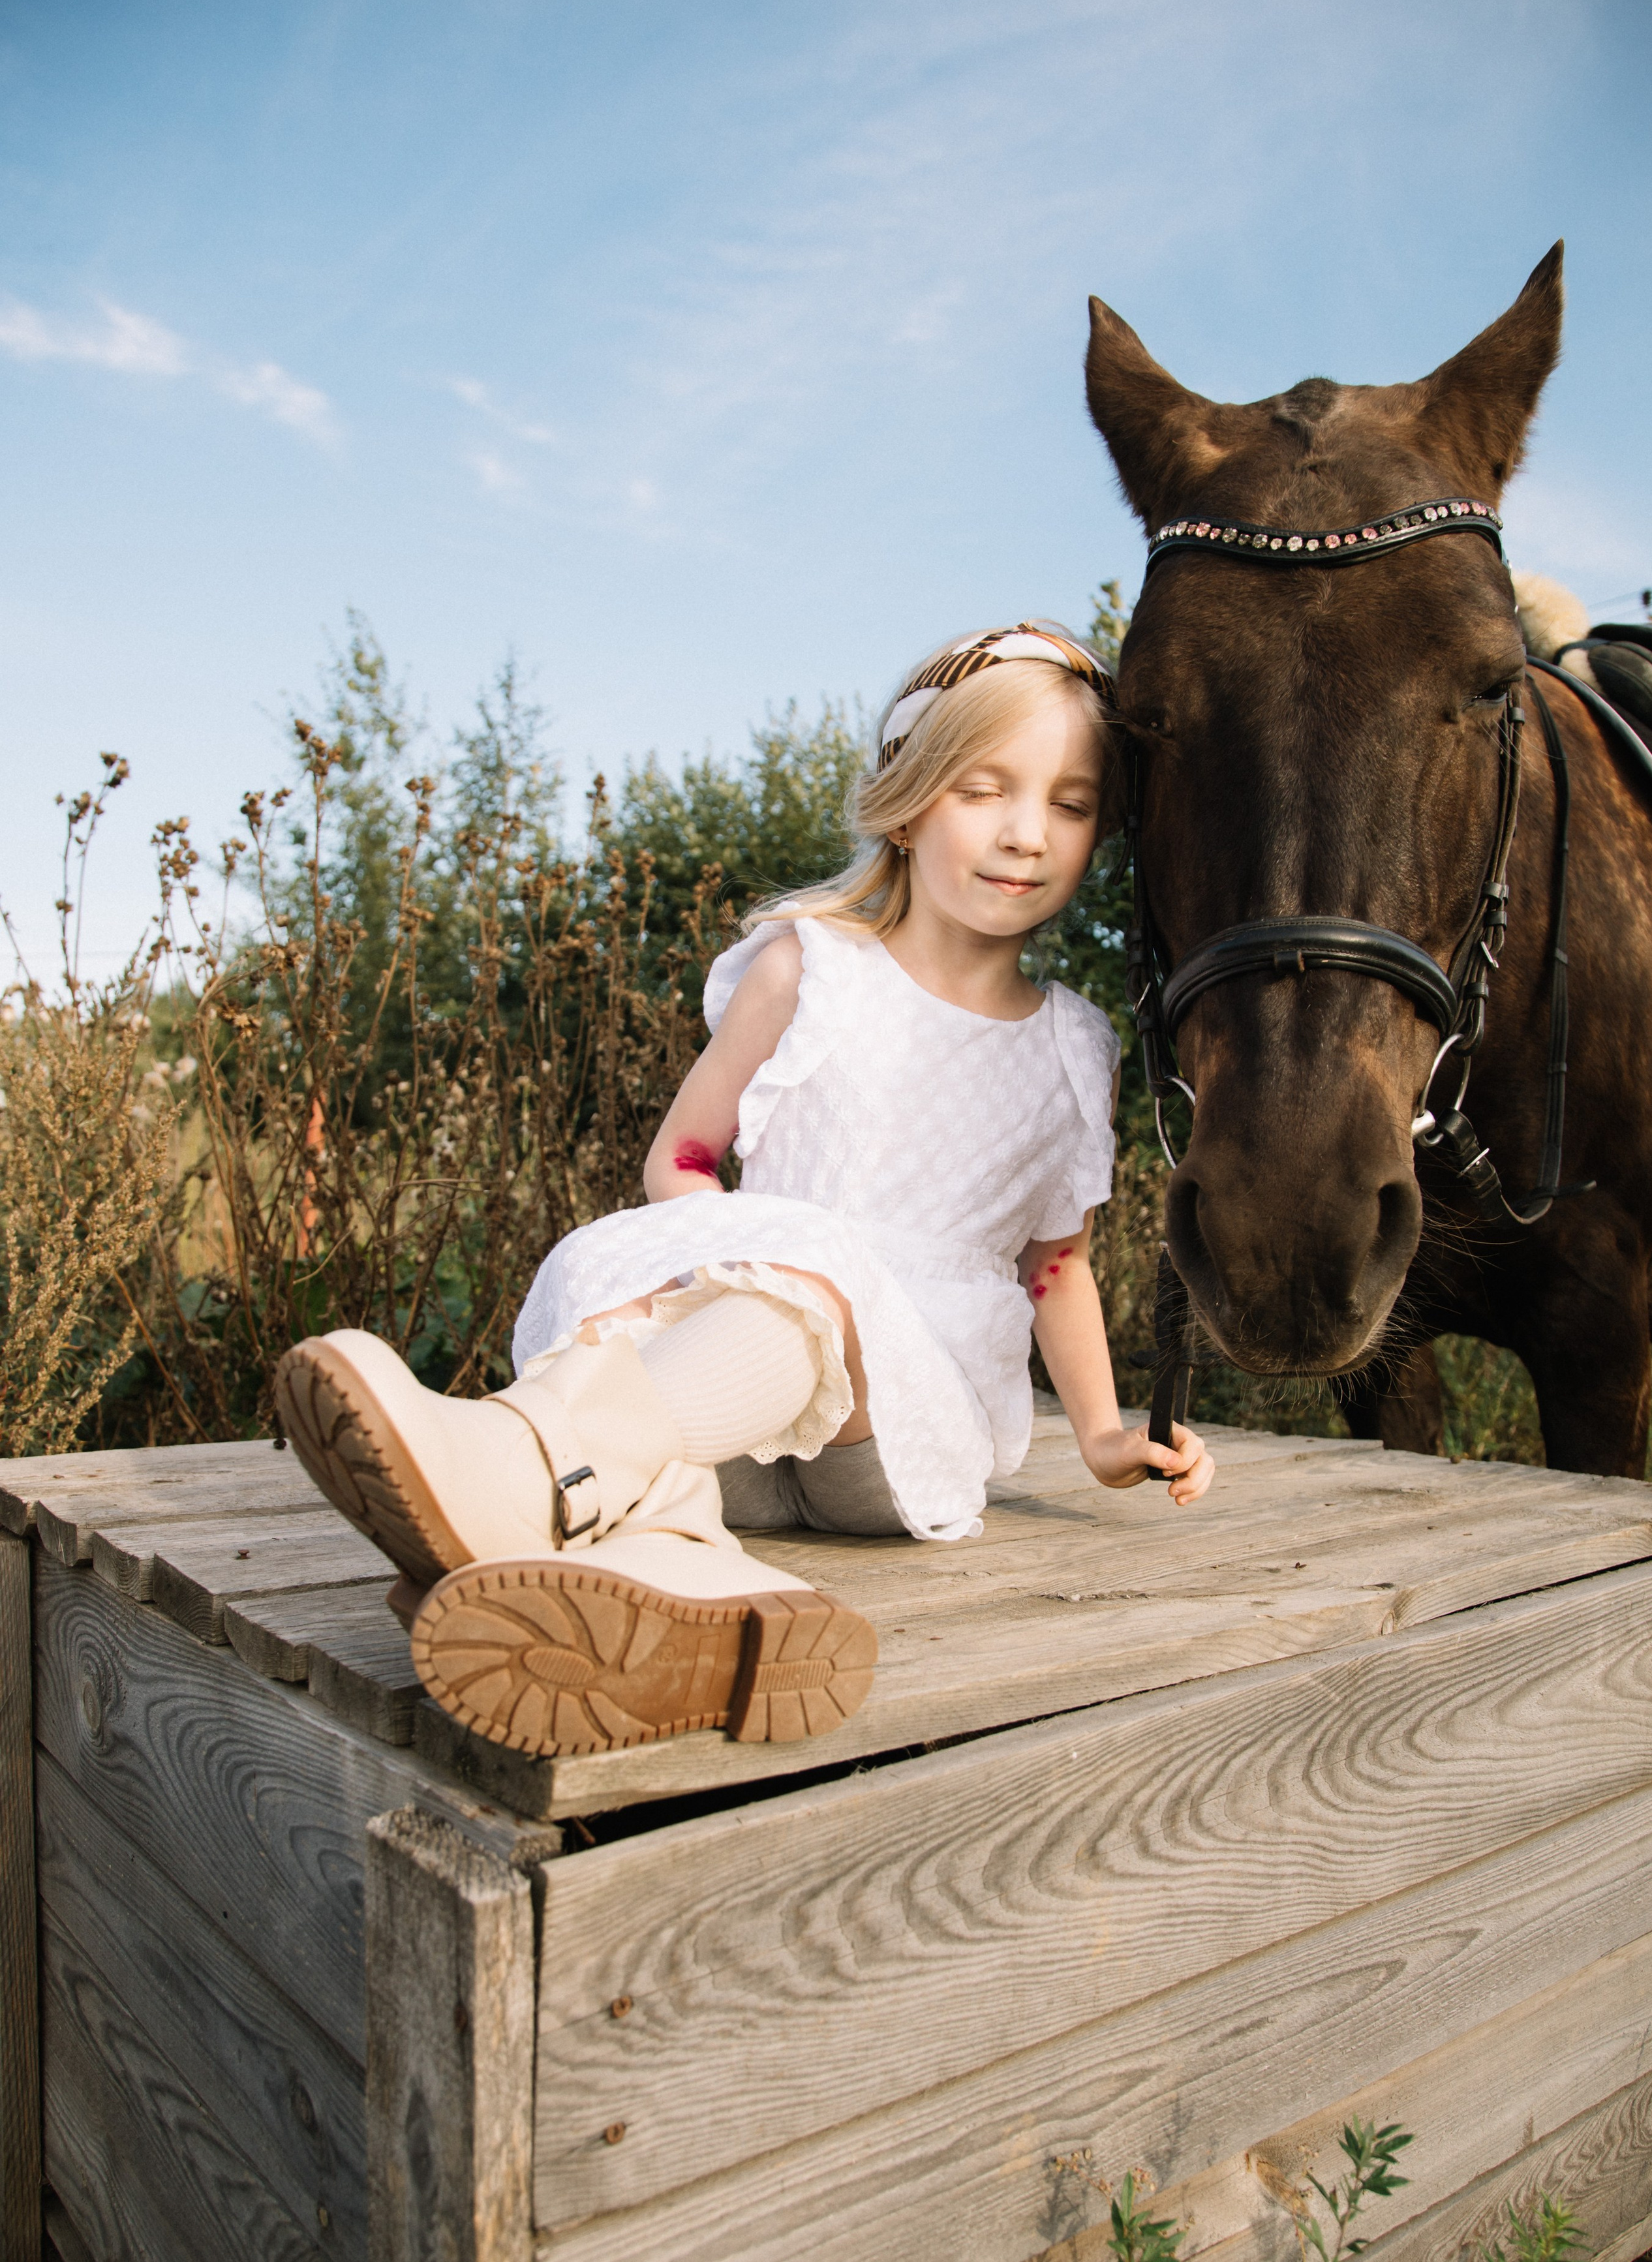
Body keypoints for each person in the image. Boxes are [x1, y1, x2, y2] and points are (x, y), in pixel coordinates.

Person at [275, 620, 1214, 1764]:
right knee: (693, 1304)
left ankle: (511, 1464)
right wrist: (734, 1256)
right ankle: (681, 1593)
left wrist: (1106, 1429)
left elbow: (1053, 1261)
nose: (1026, 834)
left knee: (808, 1285)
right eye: (985, 789)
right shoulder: (808, 968)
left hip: (900, 1427)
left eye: (1070, 806)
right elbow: (681, 1162)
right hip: (742, 1409)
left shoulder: (1073, 1044)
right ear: (911, 802)